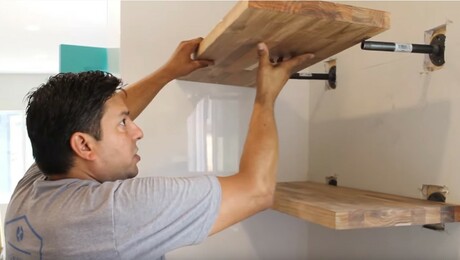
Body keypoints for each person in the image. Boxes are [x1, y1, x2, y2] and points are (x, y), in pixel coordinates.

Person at [4, 37, 314, 259]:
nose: (138, 131)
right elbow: (257, 191)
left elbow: (95, 120)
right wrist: (266, 95)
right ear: (84, 145)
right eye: (124, 124)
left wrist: (168, 72)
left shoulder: (32, 188)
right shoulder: (112, 212)